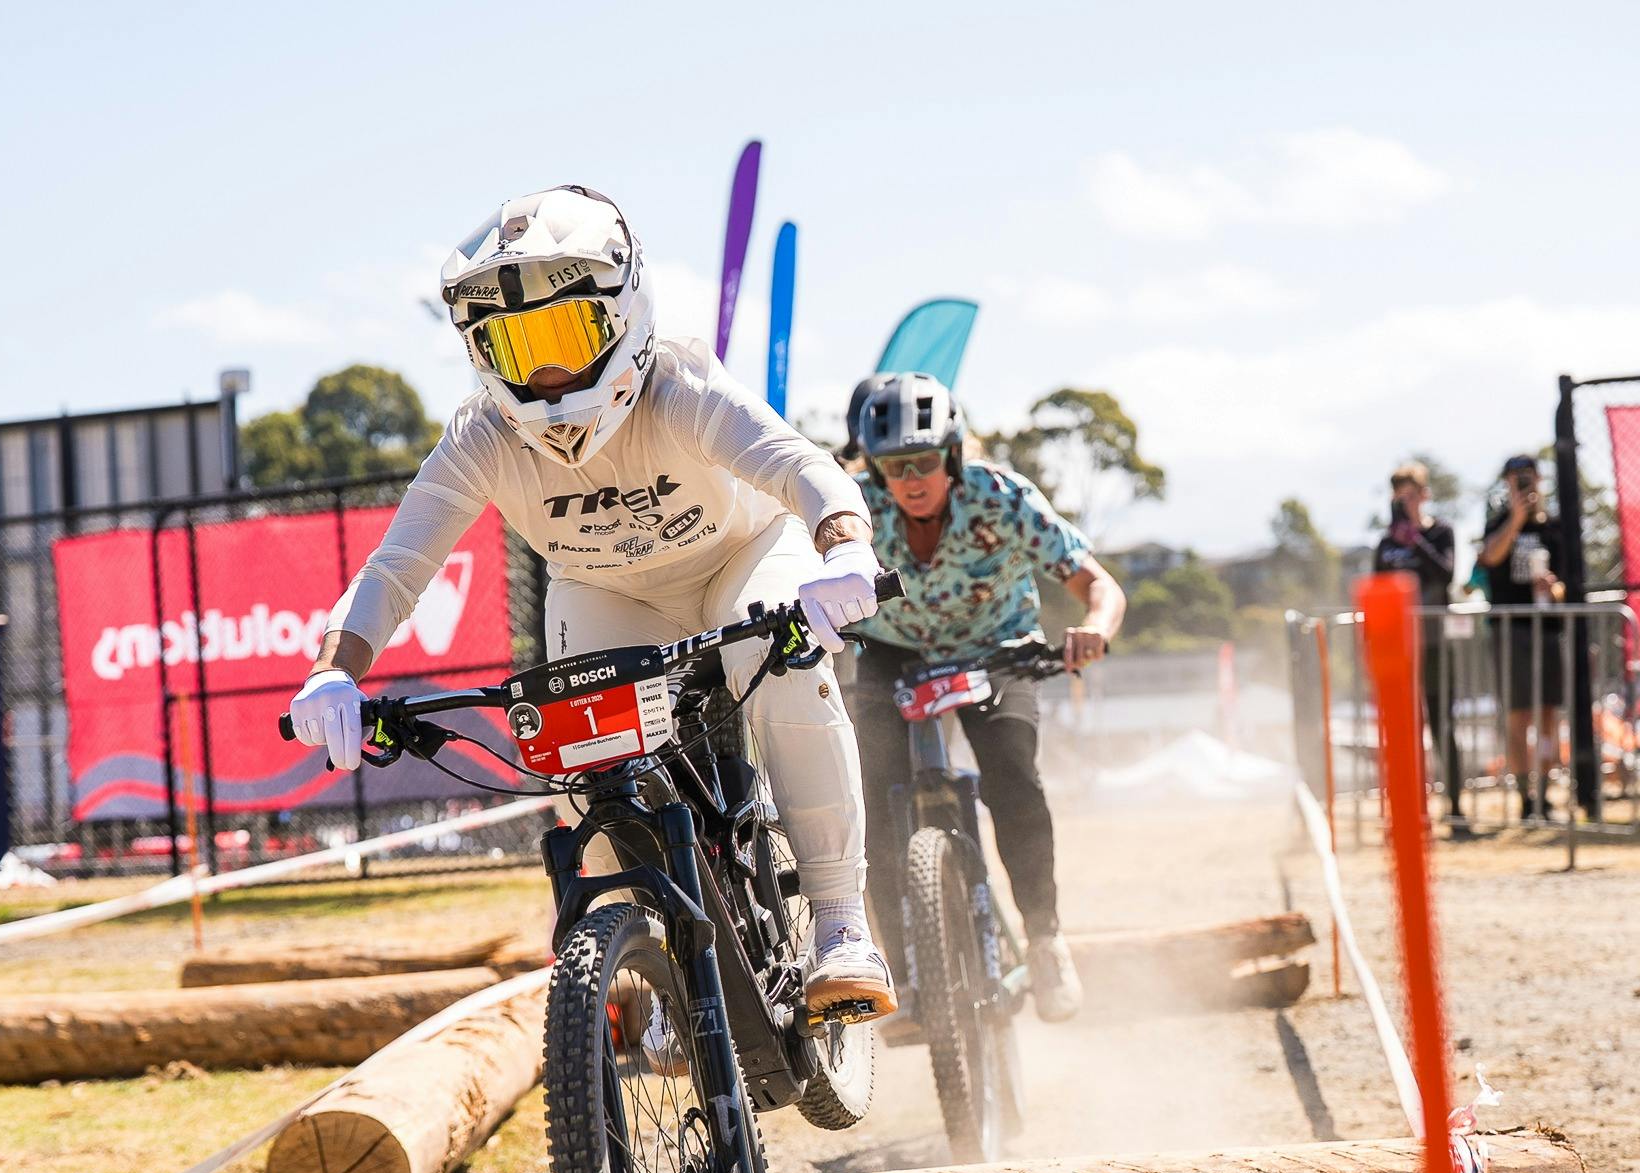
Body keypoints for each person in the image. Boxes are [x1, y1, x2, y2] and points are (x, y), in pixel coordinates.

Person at [285, 186, 897, 1020]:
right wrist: (332, 674)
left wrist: (845, 546)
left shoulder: (680, 386)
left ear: (625, 313)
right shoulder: (483, 437)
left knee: (780, 663)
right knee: (589, 758)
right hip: (611, 591)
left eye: (565, 334)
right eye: (511, 345)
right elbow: (396, 568)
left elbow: (799, 465)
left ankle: (838, 925)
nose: (541, 373)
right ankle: (650, 974)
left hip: (742, 559)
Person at [843, 372, 1126, 1023]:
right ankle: (903, 969)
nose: (909, 479)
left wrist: (1093, 632)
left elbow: (1100, 587)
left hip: (998, 646)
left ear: (952, 454)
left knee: (1013, 775)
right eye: (892, 466)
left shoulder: (1003, 497)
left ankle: (1045, 938)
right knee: (876, 798)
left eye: (922, 462)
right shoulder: (854, 507)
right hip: (892, 652)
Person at [1476, 453, 1569, 822]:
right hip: (1510, 631)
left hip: (1546, 629)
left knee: (1547, 714)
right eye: (1515, 480)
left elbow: (1566, 585)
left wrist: (1553, 588)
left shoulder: (1555, 528)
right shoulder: (1498, 524)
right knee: (1517, 717)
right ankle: (1523, 797)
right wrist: (1515, 519)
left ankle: (1546, 794)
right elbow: (1489, 558)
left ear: (1539, 479)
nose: (1523, 485)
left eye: (1528, 478)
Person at [1373, 461, 1465, 832]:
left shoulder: (1441, 532)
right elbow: (1378, 589)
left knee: (1443, 726)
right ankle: (1412, 811)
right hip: (1399, 649)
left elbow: (1445, 574)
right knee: (1405, 730)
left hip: (1435, 643)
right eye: (1399, 497)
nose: (1404, 502)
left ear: (1423, 495)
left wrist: (1417, 540)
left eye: (1410, 495)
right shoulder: (1385, 543)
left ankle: (1456, 807)